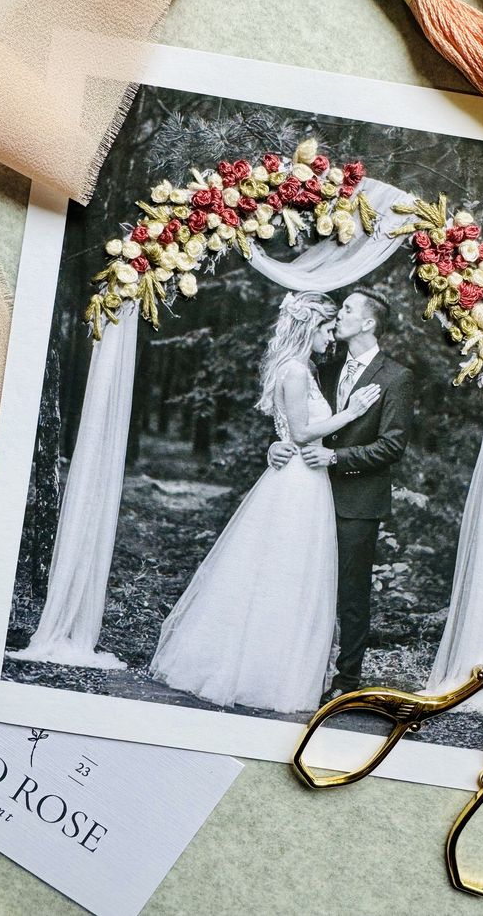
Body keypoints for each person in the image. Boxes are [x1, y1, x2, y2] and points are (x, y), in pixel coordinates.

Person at [149, 291, 381, 714]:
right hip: (296, 483)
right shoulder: (294, 369)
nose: (332, 338)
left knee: (290, 572)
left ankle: (278, 667)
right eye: (328, 329)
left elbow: (292, 432)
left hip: (308, 479)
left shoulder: (305, 369)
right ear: (310, 327)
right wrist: (349, 413)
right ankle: (256, 672)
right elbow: (301, 431)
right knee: (279, 570)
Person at [269, 286, 413, 702]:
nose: (339, 314)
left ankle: (346, 681)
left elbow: (392, 446)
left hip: (357, 501)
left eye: (348, 309)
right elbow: (294, 417)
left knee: (350, 593)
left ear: (368, 323)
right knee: (297, 581)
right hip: (306, 494)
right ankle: (294, 668)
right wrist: (275, 445)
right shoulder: (322, 365)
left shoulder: (396, 377)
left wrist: (336, 458)